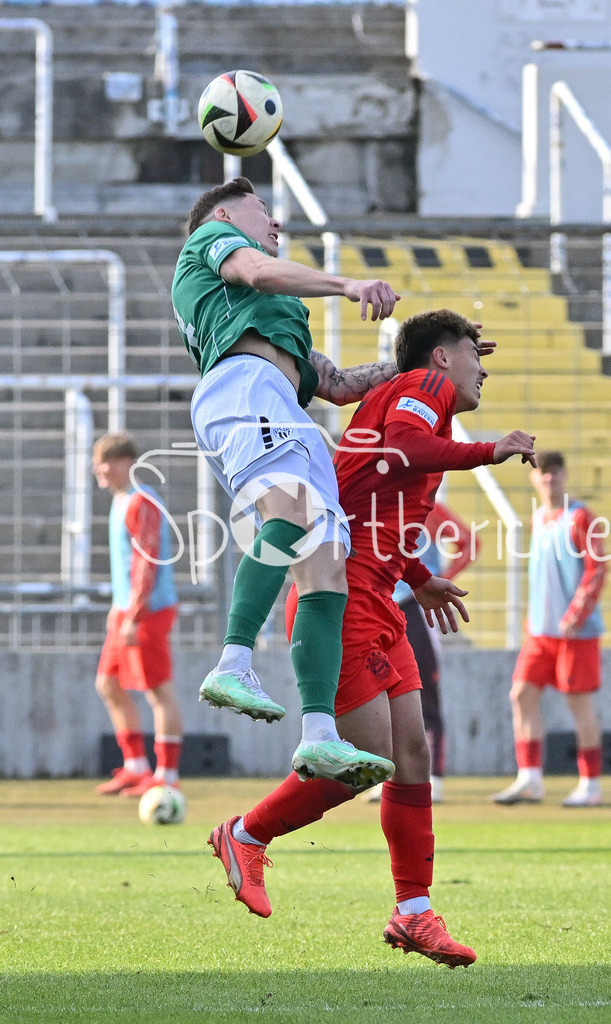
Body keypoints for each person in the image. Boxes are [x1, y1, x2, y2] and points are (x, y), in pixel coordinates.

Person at [206, 308, 537, 969]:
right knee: (366, 760)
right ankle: (245, 834)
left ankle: (413, 911)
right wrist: (488, 449)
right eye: (476, 355)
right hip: (343, 596)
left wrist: (420, 574)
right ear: (442, 358)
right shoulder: (427, 390)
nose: (483, 369)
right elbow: (409, 452)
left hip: (377, 592)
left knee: (410, 753)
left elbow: (366, 502)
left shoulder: (411, 395)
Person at [171, 176, 401, 790]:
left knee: (325, 565)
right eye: (263, 211)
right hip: (243, 389)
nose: (273, 224)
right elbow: (260, 269)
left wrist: (420, 366)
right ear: (223, 213)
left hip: (279, 406)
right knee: (292, 513)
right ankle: (233, 659)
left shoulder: (279, 318)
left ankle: (320, 733)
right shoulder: (211, 242)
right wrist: (348, 283)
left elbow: (342, 385)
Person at [492, 449, 608, 808]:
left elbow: (597, 567)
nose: (549, 478)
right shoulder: (539, 517)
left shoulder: (580, 516)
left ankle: (590, 783)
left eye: (555, 472)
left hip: (575, 631)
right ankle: (530, 778)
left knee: (579, 704)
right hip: (540, 631)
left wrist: (577, 612)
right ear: (534, 478)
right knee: (521, 695)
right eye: (543, 472)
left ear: (564, 475)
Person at [364, 502, 480, 803]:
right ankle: (391, 774)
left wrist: (441, 579)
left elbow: (469, 543)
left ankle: (434, 775)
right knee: (385, 691)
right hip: (384, 605)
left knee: (425, 690)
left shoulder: (431, 510)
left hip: (417, 607)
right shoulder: (382, 504)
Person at [92, 432, 183, 797]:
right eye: (98, 460)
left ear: (128, 462)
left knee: (157, 689)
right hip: (125, 609)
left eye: (107, 459)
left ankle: (167, 774)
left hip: (147, 611)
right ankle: (135, 766)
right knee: (108, 683)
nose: (99, 468)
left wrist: (133, 613)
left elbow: (147, 560)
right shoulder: (120, 501)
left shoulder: (141, 502)